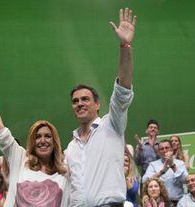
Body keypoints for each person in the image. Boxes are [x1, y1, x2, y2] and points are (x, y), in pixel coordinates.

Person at [64, 8, 137, 206]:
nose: (80, 103)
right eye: (75, 101)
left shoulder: (111, 125)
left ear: (97, 104)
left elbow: (123, 89)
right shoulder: (70, 148)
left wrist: (124, 46)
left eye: (85, 99)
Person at [0, 76, 70, 206]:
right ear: (32, 142)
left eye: (47, 136)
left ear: (55, 141)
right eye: (37, 136)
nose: (42, 140)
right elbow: (1, 131)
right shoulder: (21, 159)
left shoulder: (65, 171)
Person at [142, 140, 188, 205]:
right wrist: (162, 172)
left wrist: (172, 165)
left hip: (178, 202)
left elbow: (186, 180)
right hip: (159, 203)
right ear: (158, 152)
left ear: (172, 149)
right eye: (161, 149)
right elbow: (144, 181)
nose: (164, 150)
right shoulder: (153, 164)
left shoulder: (180, 163)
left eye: (167, 148)